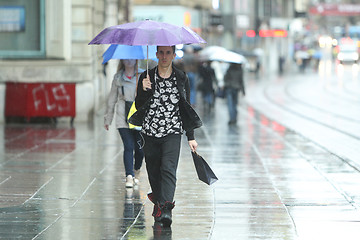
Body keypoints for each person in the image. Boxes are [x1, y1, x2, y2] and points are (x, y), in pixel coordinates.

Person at [128, 46, 202, 227]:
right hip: (150, 132)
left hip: (172, 132)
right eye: (161, 52)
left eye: (168, 53)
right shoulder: (147, 77)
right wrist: (144, 90)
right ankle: (159, 203)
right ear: (156, 54)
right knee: (154, 171)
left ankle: (166, 208)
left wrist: (190, 136)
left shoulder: (181, 77)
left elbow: (186, 107)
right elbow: (138, 105)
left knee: (168, 169)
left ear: (174, 55)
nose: (164, 56)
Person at [104, 59, 144, 188]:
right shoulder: (118, 77)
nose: (129, 61)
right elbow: (112, 99)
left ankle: (137, 170)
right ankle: (129, 176)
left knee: (140, 149)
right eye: (126, 58)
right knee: (128, 146)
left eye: (132, 58)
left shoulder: (143, 75)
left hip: (138, 117)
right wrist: (108, 119)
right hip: (122, 117)